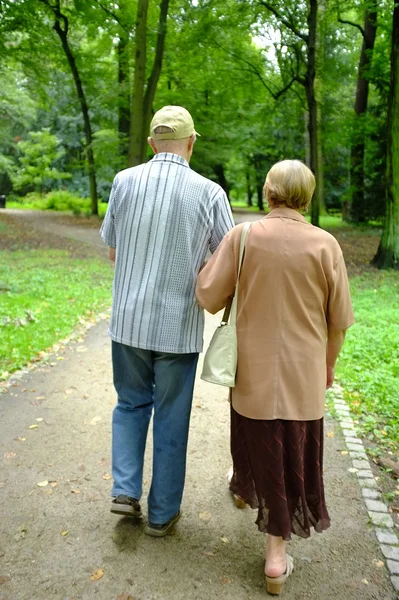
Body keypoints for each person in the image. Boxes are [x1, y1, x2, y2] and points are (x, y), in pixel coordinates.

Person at [196, 160, 354, 594]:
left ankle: (247, 491)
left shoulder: (243, 236)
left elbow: (208, 295)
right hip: (304, 373)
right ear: (309, 195)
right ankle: (276, 556)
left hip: (252, 372)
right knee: (293, 452)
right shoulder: (326, 245)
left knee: (254, 434)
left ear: (268, 193)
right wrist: (328, 364)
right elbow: (338, 322)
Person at [100, 105, 234, 537]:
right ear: (192, 143)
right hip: (178, 327)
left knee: (129, 402)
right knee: (172, 415)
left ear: (152, 143)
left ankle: (124, 491)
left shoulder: (124, 181)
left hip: (128, 323)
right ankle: (161, 516)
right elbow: (227, 261)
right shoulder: (209, 192)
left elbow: (114, 251)